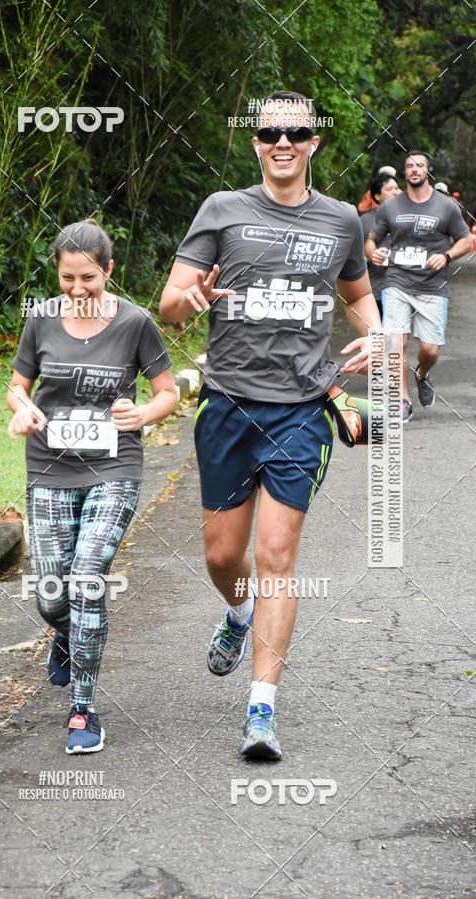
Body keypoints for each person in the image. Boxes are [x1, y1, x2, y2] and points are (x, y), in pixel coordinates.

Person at [159, 90, 380, 760]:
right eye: (269, 132)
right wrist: (189, 299)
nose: (282, 141)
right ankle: (238, 612)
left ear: (314, 142)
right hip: (228, 405)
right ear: (255, 141)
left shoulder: (341, 220)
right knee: (225, 555)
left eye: (296, 132)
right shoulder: (221, 210)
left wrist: (376, 336)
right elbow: (169, 304)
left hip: (302, 411)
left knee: (279, 557)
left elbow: (359, 296)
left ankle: (261, 713)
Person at [7, 220, 178, 753]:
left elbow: (167, 393)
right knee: (52, 597)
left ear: (108, 269)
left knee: (86, 579)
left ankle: (83, 710)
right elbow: (17, 387)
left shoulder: (135, 322)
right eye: (66, 279)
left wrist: (142, 413)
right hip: (49, 470)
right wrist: (24, 409)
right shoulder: (40, 320)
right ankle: (67, 634)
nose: (78, 290)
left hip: (113, 469)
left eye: (88, 278)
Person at [365, 151, 472, 422]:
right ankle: (402, 399)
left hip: (432, 285)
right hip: (397, 280)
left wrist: (446, 256)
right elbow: (372, 239)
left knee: (430, 349)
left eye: (420, 166)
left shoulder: (445, 206)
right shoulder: (391, 206)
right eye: (410, 166)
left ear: (428, 171)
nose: (414, 170)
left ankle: (422, 374)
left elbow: (465, 241)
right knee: (395, 341)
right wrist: (372, 252)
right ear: (404, 173)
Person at [360, 172, 402, 315]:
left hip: (401, 290)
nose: (395, 192)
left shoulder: (407, 219)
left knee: (396, 335)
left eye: (397, 188)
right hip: (373, 290)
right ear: (377, 196)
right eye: (390, 189)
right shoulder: (365, 220)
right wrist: (371, 254)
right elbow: (352, 256)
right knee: (375, 335)